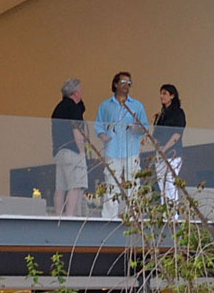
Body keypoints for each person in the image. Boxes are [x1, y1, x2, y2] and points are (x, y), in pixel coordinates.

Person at [95, 70, 148, 218]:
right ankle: (109, 217)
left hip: (131, 150)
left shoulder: (137, 105)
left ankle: (132, 217)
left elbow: (145, 127)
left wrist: (136, 128)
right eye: (123, 82)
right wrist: (103, 136)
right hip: (112, 150)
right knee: (111, 184)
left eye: (129, 83)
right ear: (115, 84)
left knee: (133, 184)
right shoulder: (105, 105)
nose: (126, 85)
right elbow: (99, 125)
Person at [50, 78, 88, 216]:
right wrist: (82, 151)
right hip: (73, 151)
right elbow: (77, 131)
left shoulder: (58, 108)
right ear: (76, 93)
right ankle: (69, 216)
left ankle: (59, 216)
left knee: (60, 188)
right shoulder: (73, 107)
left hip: (59, 152)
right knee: (75, 186)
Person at [152, 83, 186, 203]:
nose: (162, 96)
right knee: (162, 185)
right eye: (161, 94)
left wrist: (165, 148)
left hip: (173, 153)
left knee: (170, 182)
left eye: (165, 93)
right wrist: (157, 146)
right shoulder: (161, 115)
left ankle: (173, 215)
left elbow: (177, 133)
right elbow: (155, 135)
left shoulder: (178, 113)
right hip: (160, 155)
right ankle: (165, 211)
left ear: (172, 96)